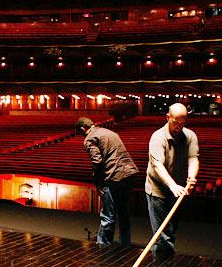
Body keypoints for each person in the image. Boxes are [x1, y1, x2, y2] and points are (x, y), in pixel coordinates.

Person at [145, 103, 199, 256]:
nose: (179, 126)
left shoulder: (190, 136)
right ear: (168, 117)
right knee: (162, 235)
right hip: (157, 190)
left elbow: (193, 158)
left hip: (177, 190)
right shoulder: (157, 137)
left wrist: (191, 178)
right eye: (176, 122)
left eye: (183, 122)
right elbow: (157, 165)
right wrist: (172, 185)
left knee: (171, 229)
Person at [76, 117, 139, 246]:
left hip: (114, 176)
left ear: (83, 129)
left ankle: (103, 246)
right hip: (130, 174)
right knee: (123, 212)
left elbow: (97, 161)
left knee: (108, 214)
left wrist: (97, 182)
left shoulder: (89, 138)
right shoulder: (110, 132)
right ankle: (125, 244)